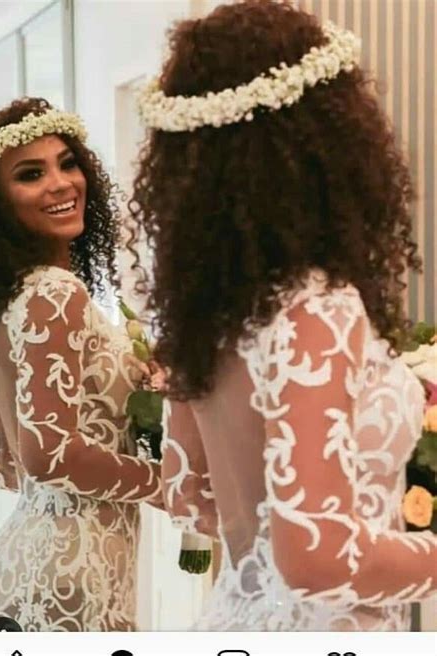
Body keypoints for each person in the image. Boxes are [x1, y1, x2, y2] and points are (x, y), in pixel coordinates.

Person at [130, 0, 437, 631]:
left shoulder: (208, 316)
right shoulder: (315, 306)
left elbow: (190, 497)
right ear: (331, 140)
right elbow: (319, 560)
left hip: (234, 620)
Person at [0, 97, 162, 631]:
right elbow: (47, 456)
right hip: (72, 577)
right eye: (31, 174)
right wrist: (170, 484)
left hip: (21, 570)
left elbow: (3, 463)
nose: (60, 183)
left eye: (68, 163)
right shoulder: (55, 292)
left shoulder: (3, 302)